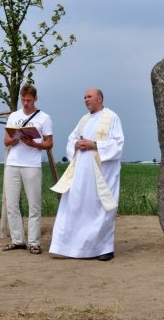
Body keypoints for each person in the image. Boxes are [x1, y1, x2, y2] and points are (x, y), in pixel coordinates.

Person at [49, 87, 124, 261]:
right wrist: (76, 145)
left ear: (100, 98)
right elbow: (72, 139)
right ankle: (73, 248)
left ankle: (104, 248)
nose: (86, 99)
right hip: (82, 172)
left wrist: (95, 145)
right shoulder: (83, 119)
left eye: (89, 96)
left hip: (102, 173)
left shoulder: (111, 117)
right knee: (76, 206)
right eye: (84, 97)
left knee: (100, 207)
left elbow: (118, 144)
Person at [2, 84, 53, 255]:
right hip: (13, 163)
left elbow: (49, 143)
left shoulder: (44, 118)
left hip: (32, 164)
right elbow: (6, 140)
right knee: (11, 204)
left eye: (29, 100)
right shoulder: (14, 116)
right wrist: (15, 139)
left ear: (35, 99)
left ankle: (34, 242)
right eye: (23, 100)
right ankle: (17, 240)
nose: (25, 103)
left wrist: (34, 144)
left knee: (34, 205)